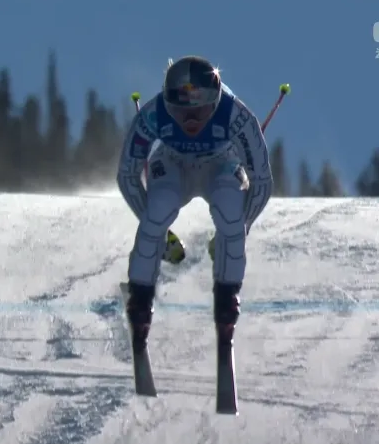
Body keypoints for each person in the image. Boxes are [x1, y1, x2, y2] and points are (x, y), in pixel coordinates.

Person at [116, 55, 273, 348]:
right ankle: (141, 297)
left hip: (221, 163)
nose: (190, 120)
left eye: (200, 111)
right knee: (158, 210)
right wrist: (155, 229)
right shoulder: (153, 114)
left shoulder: (235, 115)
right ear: (167, 101)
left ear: (215, 101)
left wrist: (241, 228)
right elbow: (128, 174)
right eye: (180, 110)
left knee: (230, 212)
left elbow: (261, 180)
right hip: (172, 161)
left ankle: (227, 297)